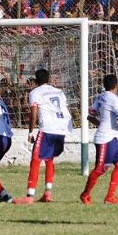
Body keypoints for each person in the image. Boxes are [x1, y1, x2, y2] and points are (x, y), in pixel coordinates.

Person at [13, 68, 72, 204]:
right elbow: (66, 109)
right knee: (49, 159)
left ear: (36, 80)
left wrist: (31, 131)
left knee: (35, 159)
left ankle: (29, 196)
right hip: (62, 128)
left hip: (48, 128)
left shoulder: (35, 92)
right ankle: (47, 193)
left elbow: (34, 113)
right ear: (49, 78)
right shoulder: (59, 91)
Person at [80, 74, 118, 206]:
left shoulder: (101, 96)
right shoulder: (115, 99)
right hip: (105, 140)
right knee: (99, 170)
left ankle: (110, 196)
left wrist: (101, 123)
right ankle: (85, 195)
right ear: (116, 85)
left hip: (111, 138)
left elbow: (90, 116)